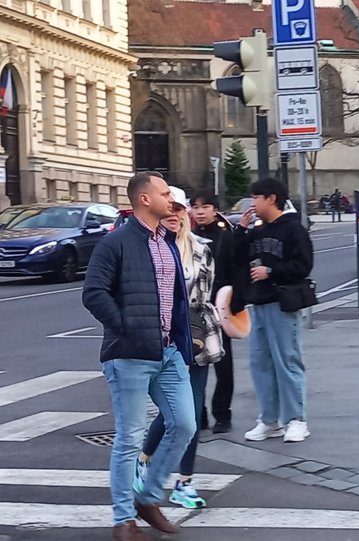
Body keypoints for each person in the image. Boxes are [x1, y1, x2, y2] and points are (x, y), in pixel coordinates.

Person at [82, 172, 197, 541]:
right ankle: (123, 520)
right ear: (144, 200)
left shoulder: (166, 242)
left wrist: (181, 338)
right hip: (129, 354)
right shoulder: (115, 243)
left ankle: (147, 498)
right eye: (165, 193)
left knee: (185, 425)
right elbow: (94, 292)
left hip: (167, 352)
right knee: (130, 439)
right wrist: (126, 327)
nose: (171, 200)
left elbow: (174, 299)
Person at [137, 197, 224, 510]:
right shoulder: (147, 246)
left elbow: (206, 293)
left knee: (193, 409)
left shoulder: (201, 247)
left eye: (178, 209)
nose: (173, 215)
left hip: (195, 337)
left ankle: (184, 481)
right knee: (172, 410)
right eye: (168, 209)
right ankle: (145, 459)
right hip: (159, 338)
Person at [237, 177, 316, 444]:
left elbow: (303, 266)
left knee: (287, 361)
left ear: (271, 198)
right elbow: (238, 259)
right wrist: (241, 230)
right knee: (261, 363)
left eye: (256, 197)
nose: (253, 203)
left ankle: (296, 419)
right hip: (258, 303)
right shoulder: (257, 231)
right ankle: (269, 420)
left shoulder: (294, 230)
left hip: (283, 303)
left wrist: (271, 271)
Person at [190, 190, 238, 434]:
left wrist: (233, 303)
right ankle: (199, 416)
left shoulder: (225, 237)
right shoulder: (188, 237)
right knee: (196, 363)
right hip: (194, 308)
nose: (199, 211)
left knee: (223, 363)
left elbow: (233, 272)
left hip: (219, 306)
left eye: (205, 206)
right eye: (195, 207)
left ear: (214, 209)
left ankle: (222, 414)